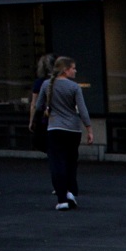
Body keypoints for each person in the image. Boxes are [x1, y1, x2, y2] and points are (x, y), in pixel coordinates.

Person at [34, 56, 93, 210]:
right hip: (73, 130)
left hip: (55, 128)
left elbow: (39, 106)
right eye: (73, 68)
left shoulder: (47, 85)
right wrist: (89, 128)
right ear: (66, 70)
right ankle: (71, 191)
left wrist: (36, 121)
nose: (75, 71)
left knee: (57, 163)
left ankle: (62, 198)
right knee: (71, 162)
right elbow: (83, 110)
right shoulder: (74, 87)